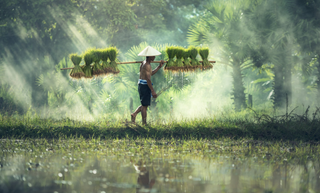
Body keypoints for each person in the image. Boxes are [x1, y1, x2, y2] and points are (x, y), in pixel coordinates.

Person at [131, 46, 164, 124]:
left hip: (141, 84)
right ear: (150, 56)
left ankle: (134, 114)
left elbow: (150, 73)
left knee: (144, 104)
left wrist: (159, 67)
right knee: (145, 106)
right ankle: (144, 123)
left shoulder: (144, 63)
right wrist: (153, 91)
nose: (155, 57)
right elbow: (148, 79)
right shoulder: (147, 65)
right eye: (153, 55)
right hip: (145, 85)